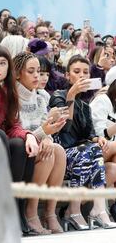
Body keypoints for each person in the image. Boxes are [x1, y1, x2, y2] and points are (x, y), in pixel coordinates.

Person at [0, 45, 38, 234]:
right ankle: (6, 208)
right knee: (2, 136)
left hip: (3, 145)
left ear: (8, 69)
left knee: (21, 145)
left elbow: (14, 125)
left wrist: (29, 136)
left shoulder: (7, 91)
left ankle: (17, 205)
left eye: (2, 63)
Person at [49, 55, 116, 231]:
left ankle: (98, 208)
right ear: (67, 75)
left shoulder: (85, 105)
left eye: (85, 72)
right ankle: (77, 209)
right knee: (89, 150)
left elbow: (89, 134)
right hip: (62, 153)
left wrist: (98, 138)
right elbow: (65, 126)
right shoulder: (57, 96)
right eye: (76, 71)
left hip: (82, 152)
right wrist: (71, 94)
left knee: (94, 147)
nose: (82, 75)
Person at [13, 52, 67, 234]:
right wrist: (42, 135)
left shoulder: (41, 96)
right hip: (22, 147)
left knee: (58, 150)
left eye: (39, 71)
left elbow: (45, 127)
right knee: (48, 154)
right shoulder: (13, 96)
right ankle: (31, 212)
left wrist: (48, 137)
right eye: (31, 71)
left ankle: (50, 213)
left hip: (37, 142)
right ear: (18, 73)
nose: (37, 75)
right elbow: (18, 130)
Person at [89, 67, 116, 222]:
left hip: (109, 153)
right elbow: (97, 134)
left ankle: (111, 207)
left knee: (113, 169)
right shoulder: (102, 100)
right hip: (95, 147)